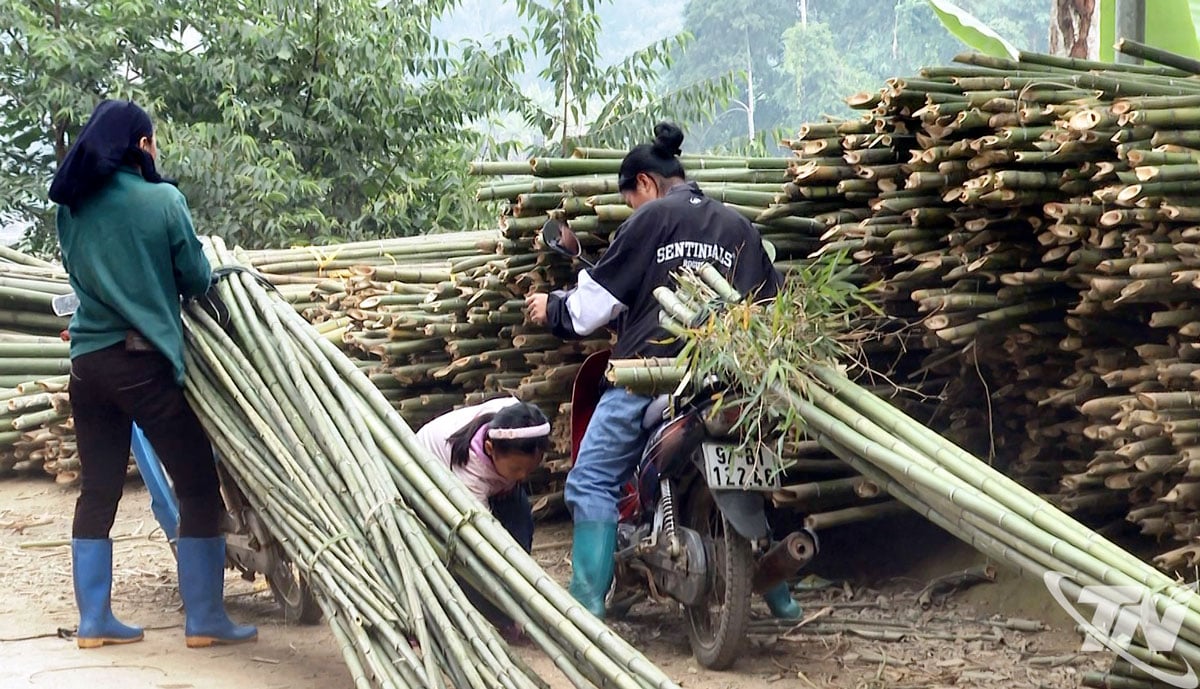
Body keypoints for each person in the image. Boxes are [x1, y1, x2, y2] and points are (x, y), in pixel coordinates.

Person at [524, 122, 800, 620]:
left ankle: (586, 602)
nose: (633, 208)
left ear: (646, 185)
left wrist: (553, 310)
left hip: (651, 376)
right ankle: (779, 592)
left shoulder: (650, 221)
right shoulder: (739, 226)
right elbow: (772, 309)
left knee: (591, 480)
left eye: (630, 199)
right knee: (752, 461)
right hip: (730, 377)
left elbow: (594, 306)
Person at [50, 100, 256, 649]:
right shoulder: (163, 201)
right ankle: (206, 620)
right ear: (140, 145)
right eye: (154, 141)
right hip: (141, 363)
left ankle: (94, 622)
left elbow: (78, 275)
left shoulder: (69, 208)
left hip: (87, 364)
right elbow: (194, 277)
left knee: (98, 490)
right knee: (195, 486)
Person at [416, 397, 550, 637]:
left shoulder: (517, 423)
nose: (522, 477)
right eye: (517, 470)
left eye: (529, 469)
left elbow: (513, 477)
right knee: (472, 557)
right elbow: (485, 542)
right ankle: (500, 613)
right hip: (431, 483)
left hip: (494, 480)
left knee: (521, 523)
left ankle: (518, 600)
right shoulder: (470, 469)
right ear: (490, 449)